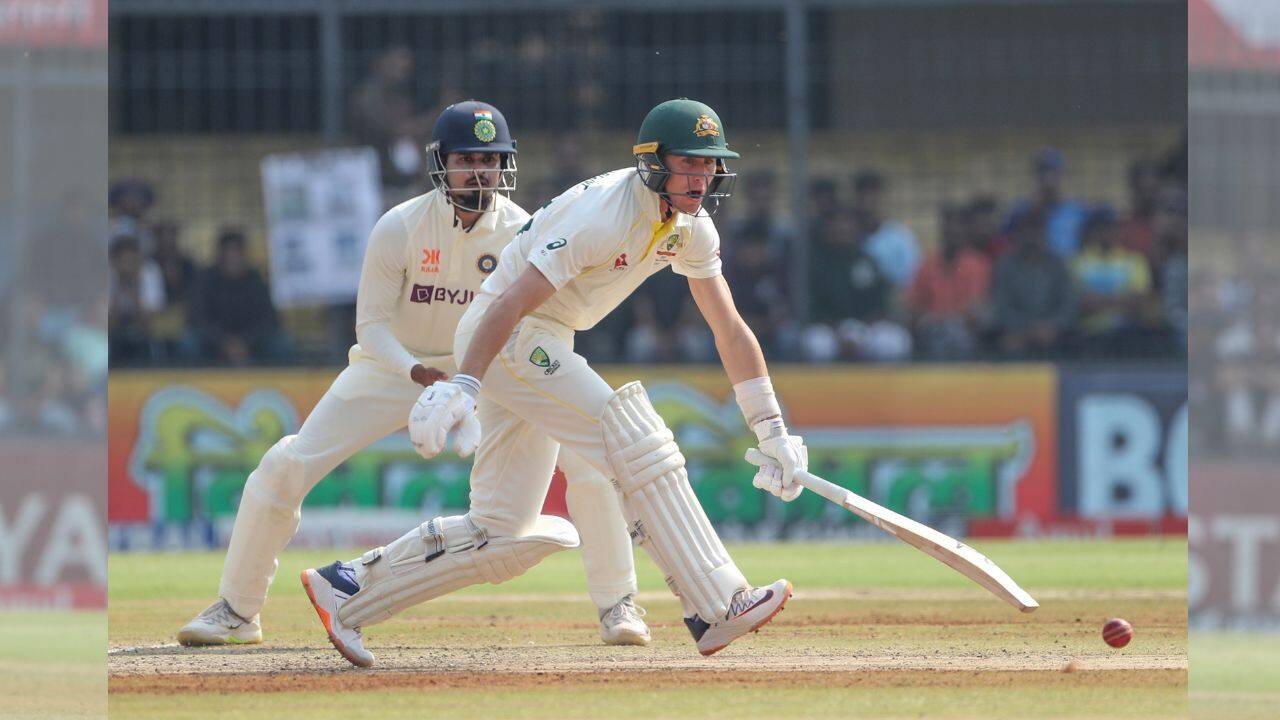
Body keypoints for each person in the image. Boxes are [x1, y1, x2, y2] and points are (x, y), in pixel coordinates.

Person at [300, 98, 800, 667]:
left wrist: (772, 429)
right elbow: (510, 301)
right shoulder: (605, 215)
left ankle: (346, 587)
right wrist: (465, 384)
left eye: (710, 165)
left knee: (500, 532)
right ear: (653, 162)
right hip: (510, 333)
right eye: (689, 163)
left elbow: (728, 328)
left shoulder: (692, 229)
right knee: (634, 438)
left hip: (542, 339)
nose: (701, 178)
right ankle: (717, 603)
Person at [177, 101, 651, 650]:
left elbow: (540, 322)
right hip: (395, 367)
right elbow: (371, 327)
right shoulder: (400, 225)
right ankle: (237, 610)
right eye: (467, 159)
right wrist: (417, 371)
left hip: (488, 369)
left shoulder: (523, 230)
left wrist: (471, 380)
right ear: (440, 162)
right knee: (285, 465)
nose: (480, 172)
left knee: (586, 459)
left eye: (491, 160)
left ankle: (618, 604)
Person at [907, 204, 992, 360]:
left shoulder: (977, 264)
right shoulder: (927, 264)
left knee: (955, 334)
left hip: (963, 331)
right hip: (932, 329)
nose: (953, 232)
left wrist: (948, 319)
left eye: (957, 228)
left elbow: (976, 308)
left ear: (965, 231)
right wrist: (930, 319)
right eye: (949, 228)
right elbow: (914, 307)